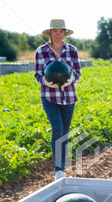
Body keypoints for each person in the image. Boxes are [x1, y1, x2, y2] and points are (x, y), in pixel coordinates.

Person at [34, 19, 81, 180]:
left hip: (69, 97)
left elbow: (77, 72)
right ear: (50, 33)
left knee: (65, 133)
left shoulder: (72, 50)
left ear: (65, 33)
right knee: (57, 128)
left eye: (61, 31)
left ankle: (61, 166)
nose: (58, 34)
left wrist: (71, 80)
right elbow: (38, 74)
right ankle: (58, 170)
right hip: (49, 97)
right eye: (55, 31)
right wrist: (45, 82)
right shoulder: (41, 51)